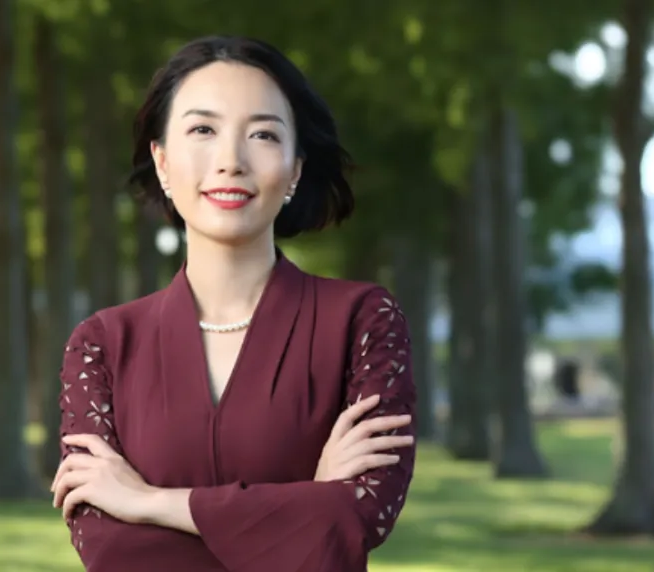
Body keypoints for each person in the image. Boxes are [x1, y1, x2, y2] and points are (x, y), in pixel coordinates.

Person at [50, 35, 418, 571]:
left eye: (263, 134)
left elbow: (360, 517)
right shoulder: (102, 345)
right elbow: (111, 550)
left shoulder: (363, 321)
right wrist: (307, 508)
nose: (231, 161)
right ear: (161, 161)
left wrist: (147, 502)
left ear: (295, 169)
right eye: (203, 130)